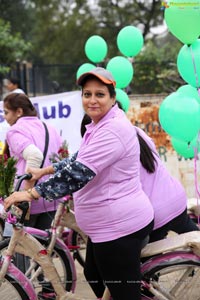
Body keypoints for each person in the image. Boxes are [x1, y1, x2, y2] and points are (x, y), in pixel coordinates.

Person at [4, 67, 154, 300]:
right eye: (87, 94)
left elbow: (79, 172)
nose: (92, 100)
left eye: (100, 94)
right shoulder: (99, 125)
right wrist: (44, 170)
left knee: (124, 293)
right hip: (104, 228)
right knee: (94, 275)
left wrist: (31, 193)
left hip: (118, 229)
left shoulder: (111, 130)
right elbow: (78, 158)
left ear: (113, 98)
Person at [80, 106, 199, 299]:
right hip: (174, 197)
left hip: (153, 211)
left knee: (129, 275)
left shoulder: (108, 143)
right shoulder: (134, 131)